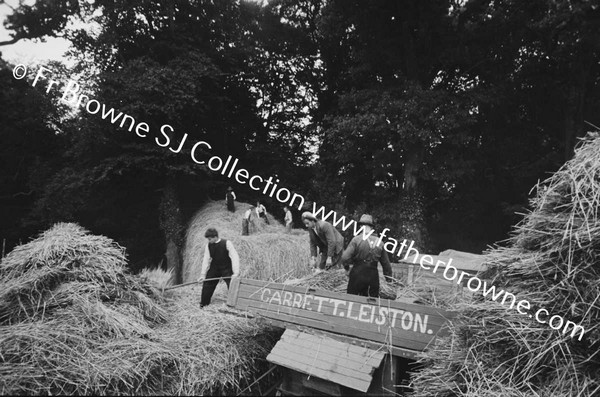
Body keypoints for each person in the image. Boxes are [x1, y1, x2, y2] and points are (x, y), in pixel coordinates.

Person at [341, 214, 393, 297]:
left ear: (361, 226)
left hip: (357, 273)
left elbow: (344, 258)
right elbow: (386, 265)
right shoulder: (380, 242)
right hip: (373, 276)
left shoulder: (356, 240)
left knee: (351, 299)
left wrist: (347, 268)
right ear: (371, 227)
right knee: (372, 303)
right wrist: (389, 280)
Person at [197, 228, 240, 307]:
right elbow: (206, 260)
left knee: (232, 284)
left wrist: (236, 272)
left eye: (210, 239)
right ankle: (204, 303)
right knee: (207, 284)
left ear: (215, 237)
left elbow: (235, 257)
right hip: (215, 267)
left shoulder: (227, 243)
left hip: (226, 267)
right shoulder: (208, 245)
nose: (209, 241)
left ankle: (234, 305)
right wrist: (202, 275)